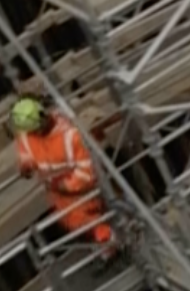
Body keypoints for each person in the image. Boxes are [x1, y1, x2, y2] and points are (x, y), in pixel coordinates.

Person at [10, 96, 114, 254]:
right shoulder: (26, 133)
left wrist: (66, 186)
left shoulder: (71, 135)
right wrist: (25, 165)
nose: (33, 134)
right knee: (75, 222)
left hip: (80, 189)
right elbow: (26, 152)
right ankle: (108, 245)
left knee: (96, 218)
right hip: (57, 192)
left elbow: (87, 170)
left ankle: (114, 245)